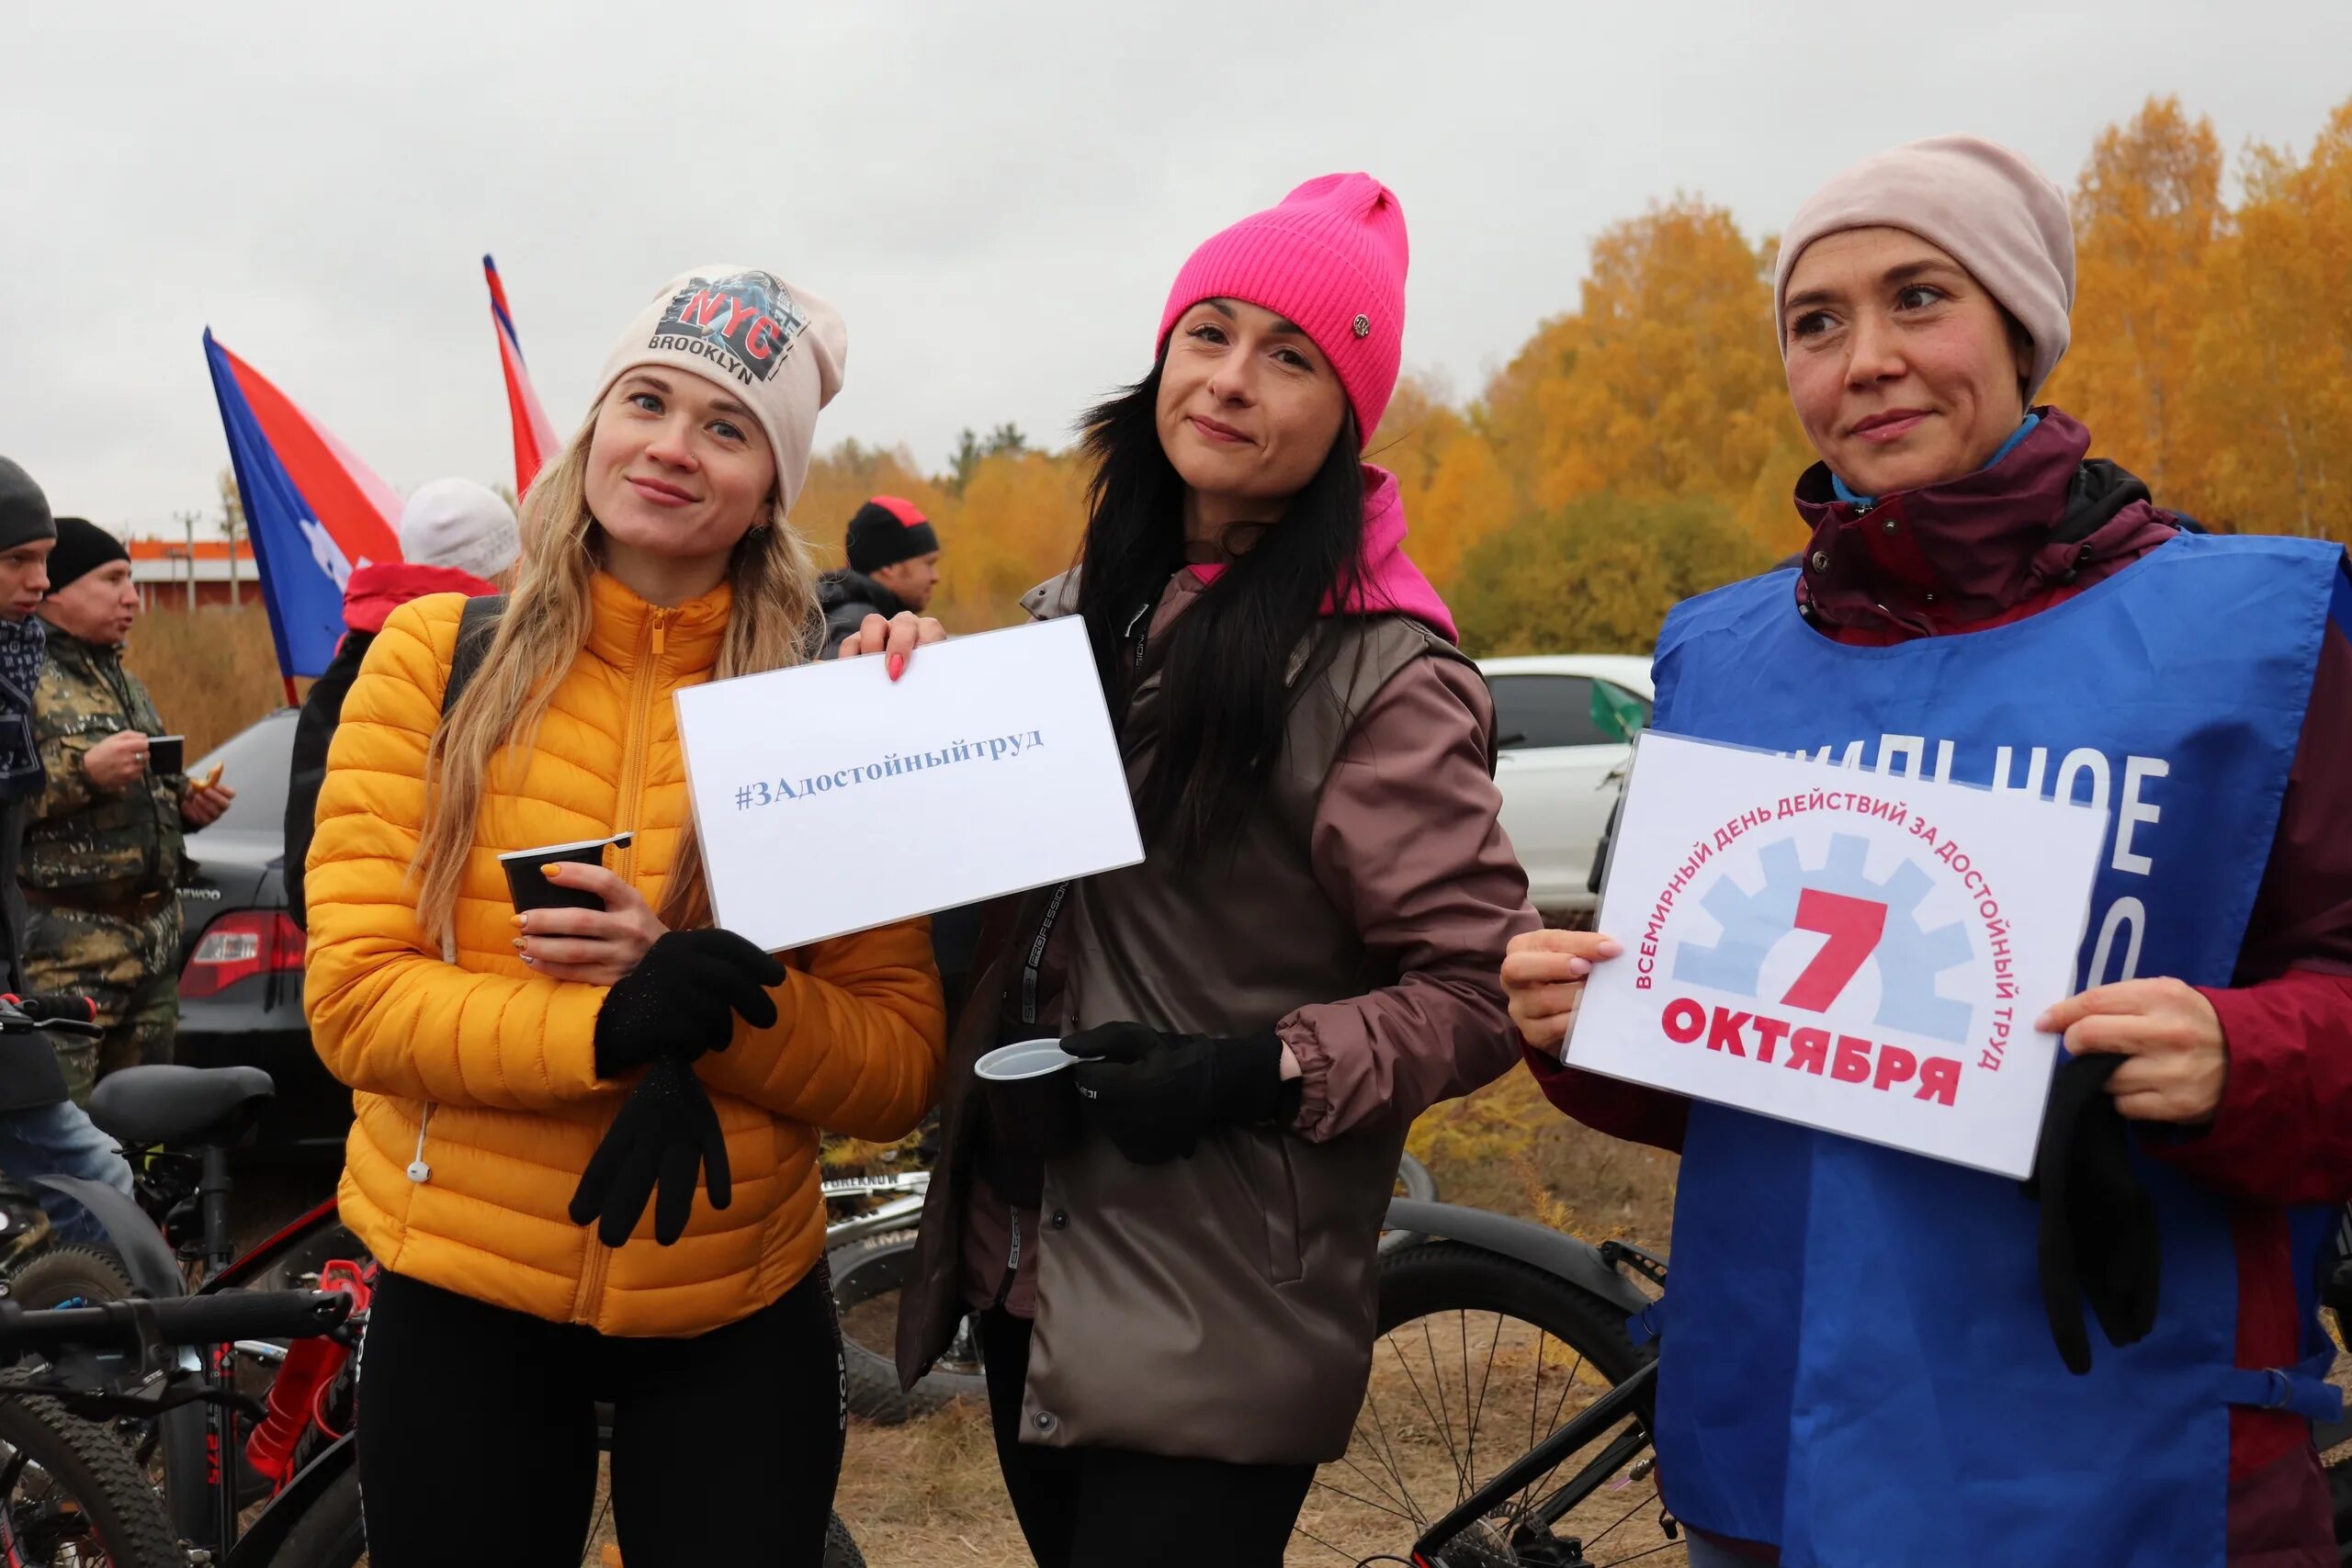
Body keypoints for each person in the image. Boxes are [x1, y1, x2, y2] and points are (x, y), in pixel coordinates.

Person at [1505, 136, 2352, 1567]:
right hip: (1777, 1448)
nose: (1869, 357)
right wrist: (1582, 1021)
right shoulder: (1721, 653)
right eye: (1817, 321)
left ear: (2021, 327)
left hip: (2122, 1454)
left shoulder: (2254, 635)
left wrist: (2242, 1049)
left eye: (1920, 297)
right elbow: (1733, 1071)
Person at [890, 174, 1536, 1567]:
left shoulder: (1380, 676)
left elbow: (1486, 988)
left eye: (1291, 354)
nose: (1234, 380)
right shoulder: (1080, 617)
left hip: (1220, 1290)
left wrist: (1261, 1066)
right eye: (1211, 333)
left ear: (1348, 412)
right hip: (1028, 1259)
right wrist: (887, 724)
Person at [302, 264, 945, 1566]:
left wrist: (713, 1006)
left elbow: (893, 1066)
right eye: (645, 399)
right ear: (592, 425)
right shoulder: (435, 659)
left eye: (728, 427)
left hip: (737, 1300)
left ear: (772, 486)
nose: (670, 446)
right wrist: (611, 1024)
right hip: (461, 1289)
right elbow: (358, 1002)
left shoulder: (831, 705)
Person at [23, 516, 235, 1099]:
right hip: (64, 961)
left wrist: (184, 801)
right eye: (113, 579)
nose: (133, 598)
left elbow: (145, 784)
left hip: (152, 949)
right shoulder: (19, 679)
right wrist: (82, 774)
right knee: (53, 1143)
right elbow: (9, 794)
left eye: (133, 580)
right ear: (56, 589)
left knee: (143, 1136)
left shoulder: (126, 682)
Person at [284, 475, 519, 926]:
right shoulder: (502, 675)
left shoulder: (342, 676)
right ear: (509, 569)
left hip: (352, 965)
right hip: (450, 969)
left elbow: (305, 881)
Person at [0, 462, 135, 1245]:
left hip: (30, 979)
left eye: (45, 559)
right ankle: (94, 1355)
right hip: (59, 954)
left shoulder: (15, 669)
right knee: (95, 1178)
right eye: (17, 559)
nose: (37, 581)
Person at [816, 494, 940, 653]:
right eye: (928, 564)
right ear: (888, 566)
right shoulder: (858, 627)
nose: (935, 577)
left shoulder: (842, 615)